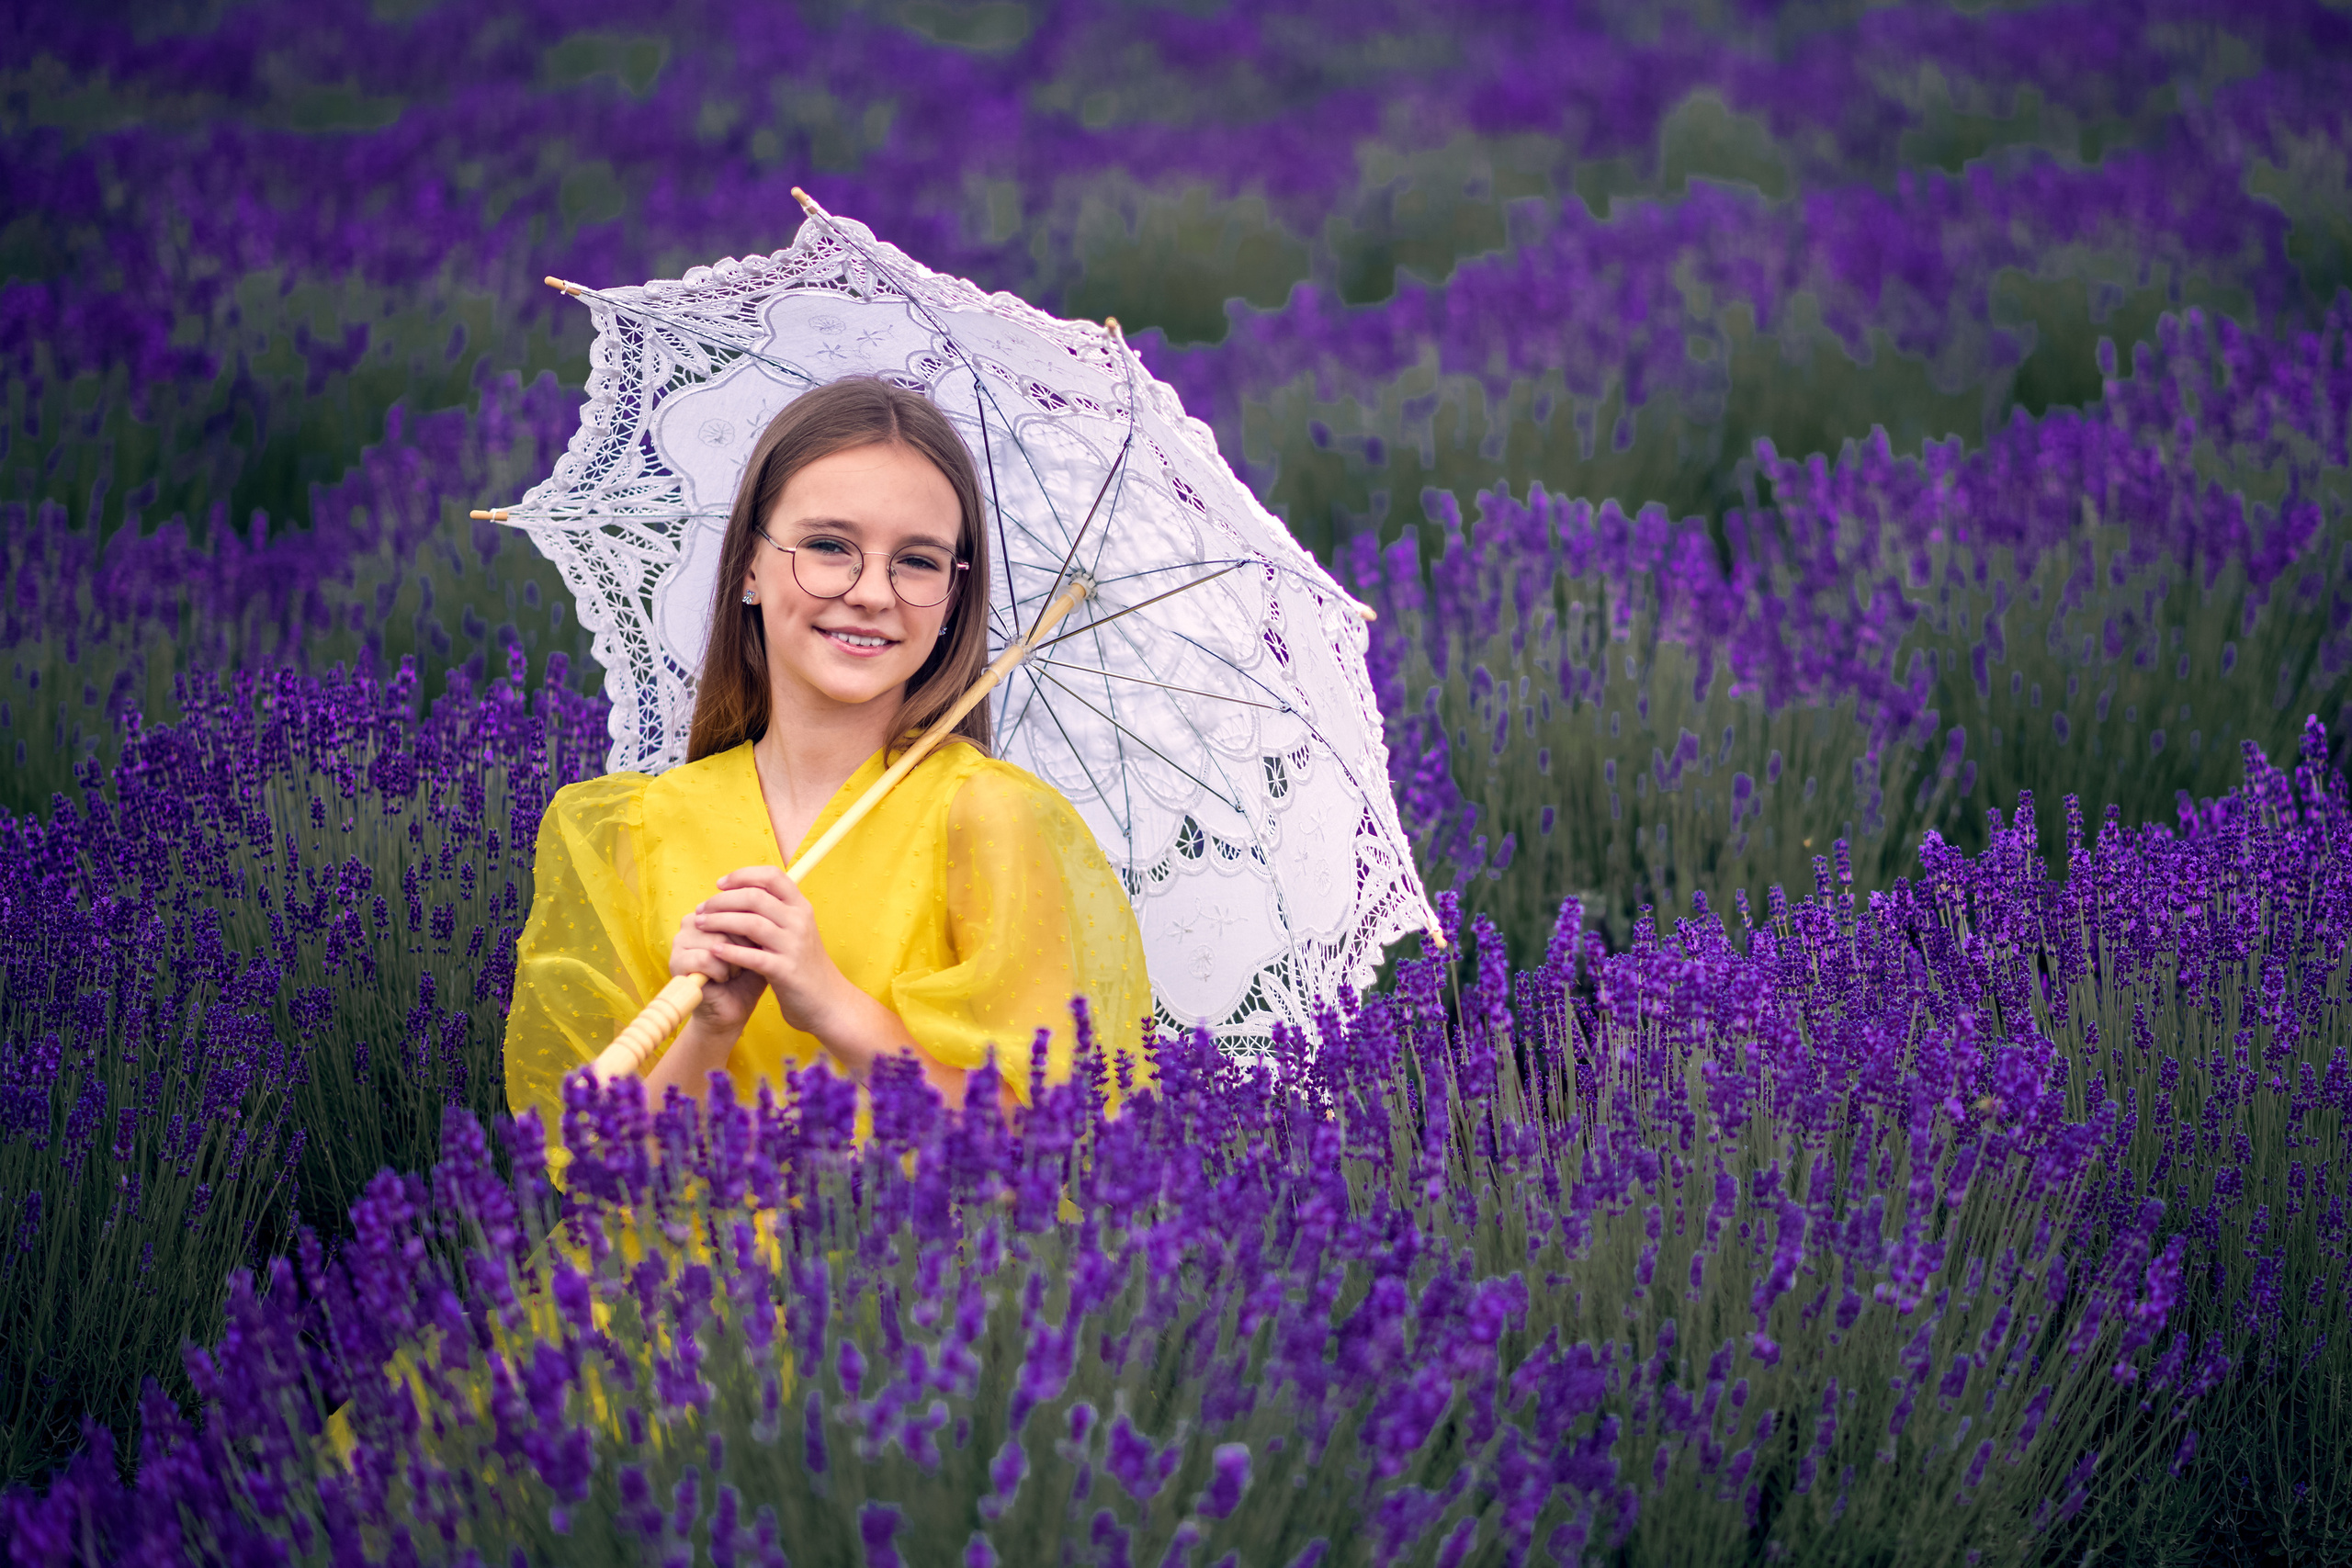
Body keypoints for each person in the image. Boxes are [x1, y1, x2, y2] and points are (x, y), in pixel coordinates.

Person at [503, 377, 1152, 1168]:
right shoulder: (640, 826)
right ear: (750, 565)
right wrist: (711, 1025)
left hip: (909, 1247)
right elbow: (607, 1172)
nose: (872, 592)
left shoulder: (985, 818)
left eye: (917, 561)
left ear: (953, 597)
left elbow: (1048, 1150)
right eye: (829, 546)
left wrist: (834, 1005)